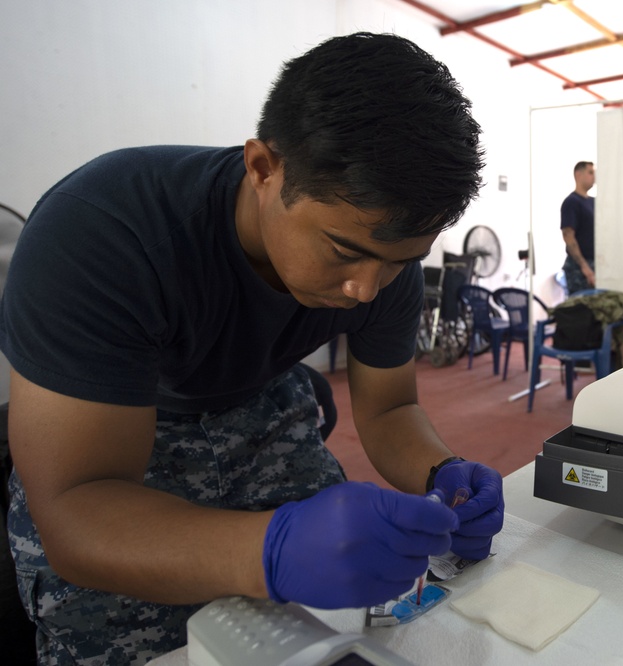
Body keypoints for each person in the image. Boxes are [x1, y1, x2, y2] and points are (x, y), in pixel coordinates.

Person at [0, 32, 504, 665]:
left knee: (338, 630)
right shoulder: (103, 233)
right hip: (117, 429)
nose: (364, 288)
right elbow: (77, 510)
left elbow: (389, 411)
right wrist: (266, 551)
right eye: (344, 250)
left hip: (265, 403)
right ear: (264, 169)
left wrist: (442, 472)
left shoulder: (382, 259)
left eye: (401, 261)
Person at [560, 161, 596, 295]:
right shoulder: (572, 202)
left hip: (594, 264)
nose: (594, 176)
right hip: (578, 269)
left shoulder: (593, 202)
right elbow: (568, 237)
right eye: (590, 172)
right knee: (581, 311)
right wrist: (584, 267)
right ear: (578, 175)